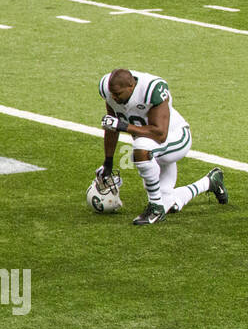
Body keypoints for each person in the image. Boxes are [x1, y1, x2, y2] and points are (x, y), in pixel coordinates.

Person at [96, 68, 228, 226]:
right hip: (154, 145)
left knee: (140, 149)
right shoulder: (109, 90)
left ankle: (155, 209)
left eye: (117, 94)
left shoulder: (152, 89)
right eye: (111, 94)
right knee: (168, 200)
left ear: (131, 86)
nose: (113, 97)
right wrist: (108, 162)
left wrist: (124, 126)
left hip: (176, 138)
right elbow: (112, 126)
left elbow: (160, 133)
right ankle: (210, 182)